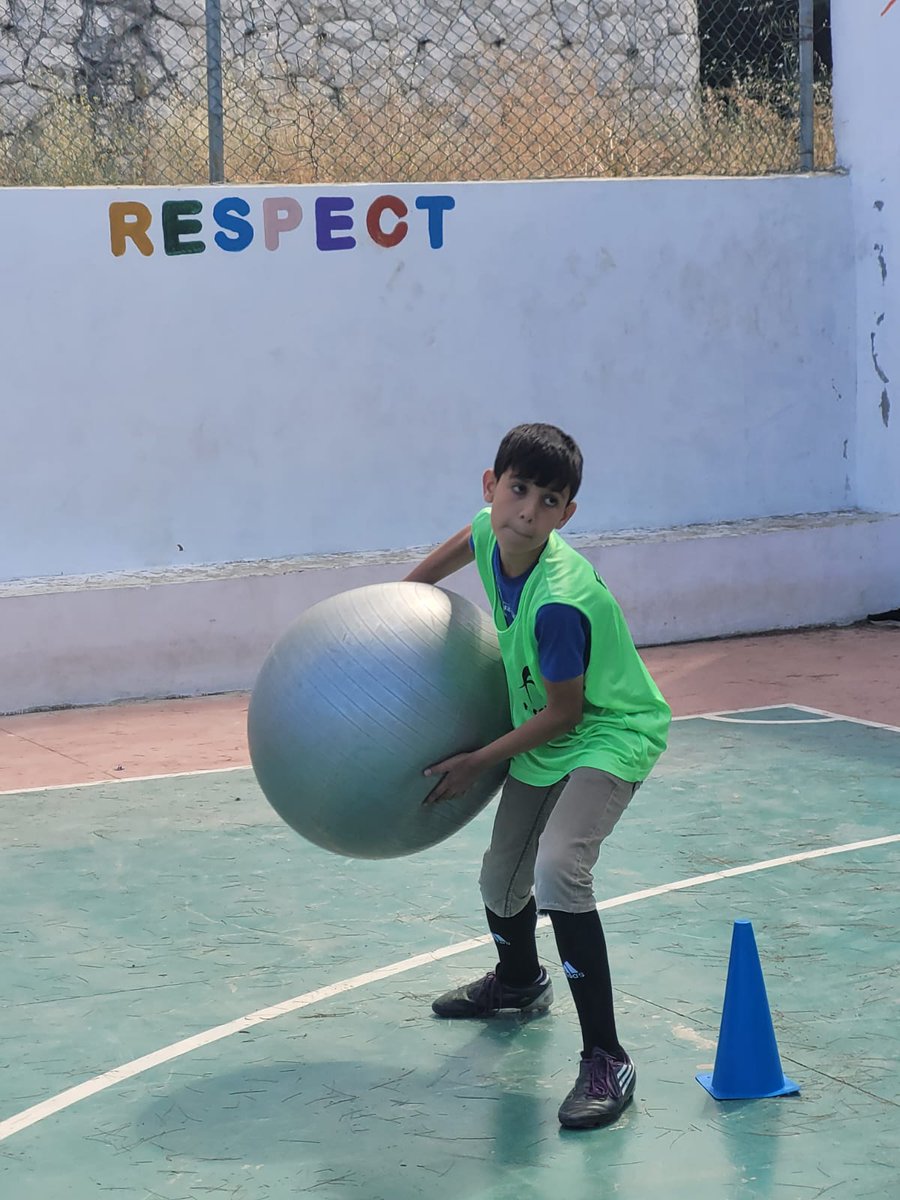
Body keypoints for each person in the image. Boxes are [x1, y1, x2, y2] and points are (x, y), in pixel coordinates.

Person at [403, 422, 671, 1130]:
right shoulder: (487, 532)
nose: (527, 512)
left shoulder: (557, 602)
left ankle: (607, 1057)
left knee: (558, 870)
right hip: (548, 730)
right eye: (518, 490)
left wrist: (477, 762)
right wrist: (386, 625)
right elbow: (420, 582)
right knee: (500, 879)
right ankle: (520, 983)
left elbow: (566, 713)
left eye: (548, 501)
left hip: (609, 731)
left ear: (566, 514)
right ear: (491, 486)